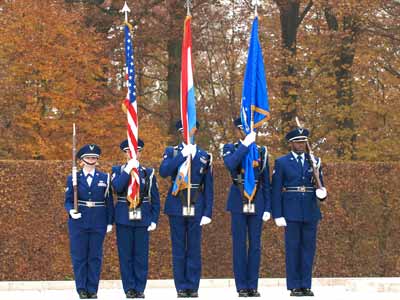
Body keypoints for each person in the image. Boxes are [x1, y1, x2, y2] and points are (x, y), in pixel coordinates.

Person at [159, 120, 213, 298]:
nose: (187, 134)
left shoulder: (205, 155)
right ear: (180, 133)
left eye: (190, 131)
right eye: (184, 131)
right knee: (179, 248)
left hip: (196, 204)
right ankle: (181, 286)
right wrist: (182, 155)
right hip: (176, 204)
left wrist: (208, 212)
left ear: (195, 132)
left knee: (194, 249)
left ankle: (193, 286)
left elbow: (208, 186)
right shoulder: (172, 151)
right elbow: (164, 172)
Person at [271, 127, 327, 297]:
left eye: (303, 142)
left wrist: (322, 194)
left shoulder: (314, 161)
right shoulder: (282, 162)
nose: (300, 145)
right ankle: (294, 285)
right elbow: (276, 190)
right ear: (291, 144)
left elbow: (320, 184)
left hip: (310, 210)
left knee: (308, 249)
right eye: (297, 142)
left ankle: (306, 284)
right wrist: (278, 214)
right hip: (291, 210)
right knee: (293, 248)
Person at [222, 117, 271, 297]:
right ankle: (242, 286)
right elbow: (231, 164)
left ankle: (253, 285)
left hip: (256, 201)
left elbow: (266, 182)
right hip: (238, 200)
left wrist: (268, 207)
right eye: (241, 129)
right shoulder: (230, 148)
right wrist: (245, 145)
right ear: (237, 131)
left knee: (255, 246)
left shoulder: (261, 152)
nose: (244, 132)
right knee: (239, 245)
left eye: (247, 129)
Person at [111, 138, 160, 299]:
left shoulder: (148, 172)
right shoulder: (117, 170)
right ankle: (129, 289)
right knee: (125, 256)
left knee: (141, 256)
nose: (133, 154)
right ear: (125, 153)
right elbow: (117, 188)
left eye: (136, 151)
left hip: (143, 216)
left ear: (140, 152)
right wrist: (127, 171)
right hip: (124, 217)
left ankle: (139, 288)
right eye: (129, 152)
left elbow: (155, 198)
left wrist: (154, 219)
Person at [64, 144, 114, 299]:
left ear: (97, 160)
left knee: (95, 256)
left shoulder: (104, 178)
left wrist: (109, 222)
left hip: (98, 220)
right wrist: (71, 210)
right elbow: (68, 200)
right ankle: (81, 289)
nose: (91, 160)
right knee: (79, 256)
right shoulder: (73, 178)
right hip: (79, 221)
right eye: (88, 158)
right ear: (82, 160)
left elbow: (109, 201)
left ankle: (92, 289)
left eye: (94, 158)